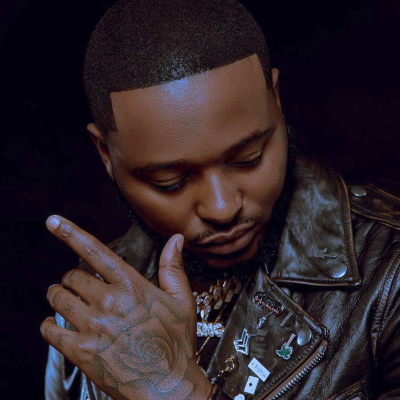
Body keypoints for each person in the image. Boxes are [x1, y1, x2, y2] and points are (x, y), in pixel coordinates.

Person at [41, 0, 400, 399]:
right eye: (170, 182)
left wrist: (180, 392)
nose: (222, 208)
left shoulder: (390, 275)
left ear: (277, 102)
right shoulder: (96, 304)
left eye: (248, 158)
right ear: (106, 154)